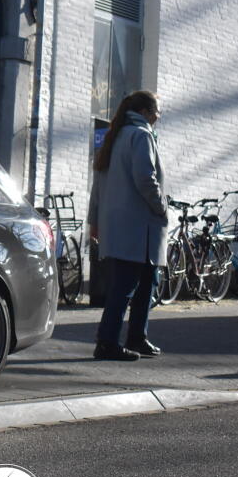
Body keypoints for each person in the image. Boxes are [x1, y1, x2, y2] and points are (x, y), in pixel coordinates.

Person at [87, 90, 168, 361]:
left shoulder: (114, 136)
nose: (158, 116)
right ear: (145, 112)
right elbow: (146, 179)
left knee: (134, 285)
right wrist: (162, 207)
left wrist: (94, 222)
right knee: (134, 288)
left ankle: (136, 338)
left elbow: (97, 188)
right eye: (157, 111)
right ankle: (109, 342)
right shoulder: (141, 135)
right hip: (140, 227)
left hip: (118, 226)